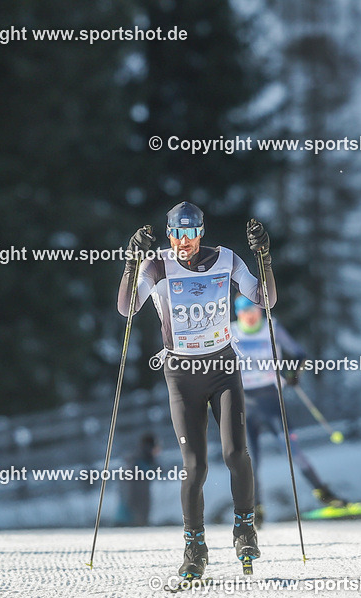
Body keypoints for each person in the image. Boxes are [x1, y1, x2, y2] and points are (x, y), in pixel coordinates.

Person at [118, 201, 276, 578]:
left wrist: (265, 259)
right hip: (181, 373)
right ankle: (194, 547)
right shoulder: (157, 264)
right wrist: (130, 263)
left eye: (190, 233)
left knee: (236, 453)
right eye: (177, 233)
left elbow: (266, 300)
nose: (183, 241)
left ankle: (245, 530)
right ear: (169, 234)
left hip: (222, 367)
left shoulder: (226, 259)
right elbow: (127, 308)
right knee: (195, 465)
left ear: (200, 232)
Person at [232, 295, 346, 521]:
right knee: (250, 461)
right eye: (245, 313)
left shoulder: (272, 327)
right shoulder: (230, 332)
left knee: (293, 451)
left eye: (254, 312)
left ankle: (324, 493)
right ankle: (256, 508)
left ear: (261, 311)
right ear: (238, 314)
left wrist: (294, 373)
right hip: (244, 404)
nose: (251, 317)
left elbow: (300, 355)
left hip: (272, 401)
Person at [116, 432, 160, 526]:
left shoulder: (145, 460)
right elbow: (128, 485)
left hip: (139, 499)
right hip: (133, 501)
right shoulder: (136, 460)